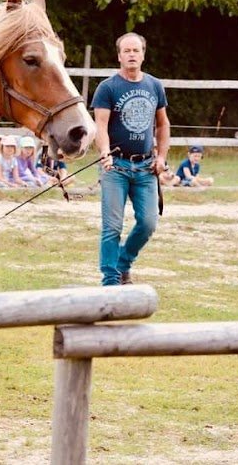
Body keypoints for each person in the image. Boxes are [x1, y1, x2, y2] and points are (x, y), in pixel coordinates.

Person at [91, 32, 170, 286]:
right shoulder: (108, 88)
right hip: (116, 166)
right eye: (127, 51)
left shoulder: (154, 86)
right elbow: (100, 125)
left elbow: (162, 124)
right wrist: (104, 152)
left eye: (136, 50)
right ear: (119, 56)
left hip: (146, 166)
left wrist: (162, 157)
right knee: (112, 226)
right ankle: (111, 281)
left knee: (148, 223)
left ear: (144, 54)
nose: (132, 55)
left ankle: (123, 262)